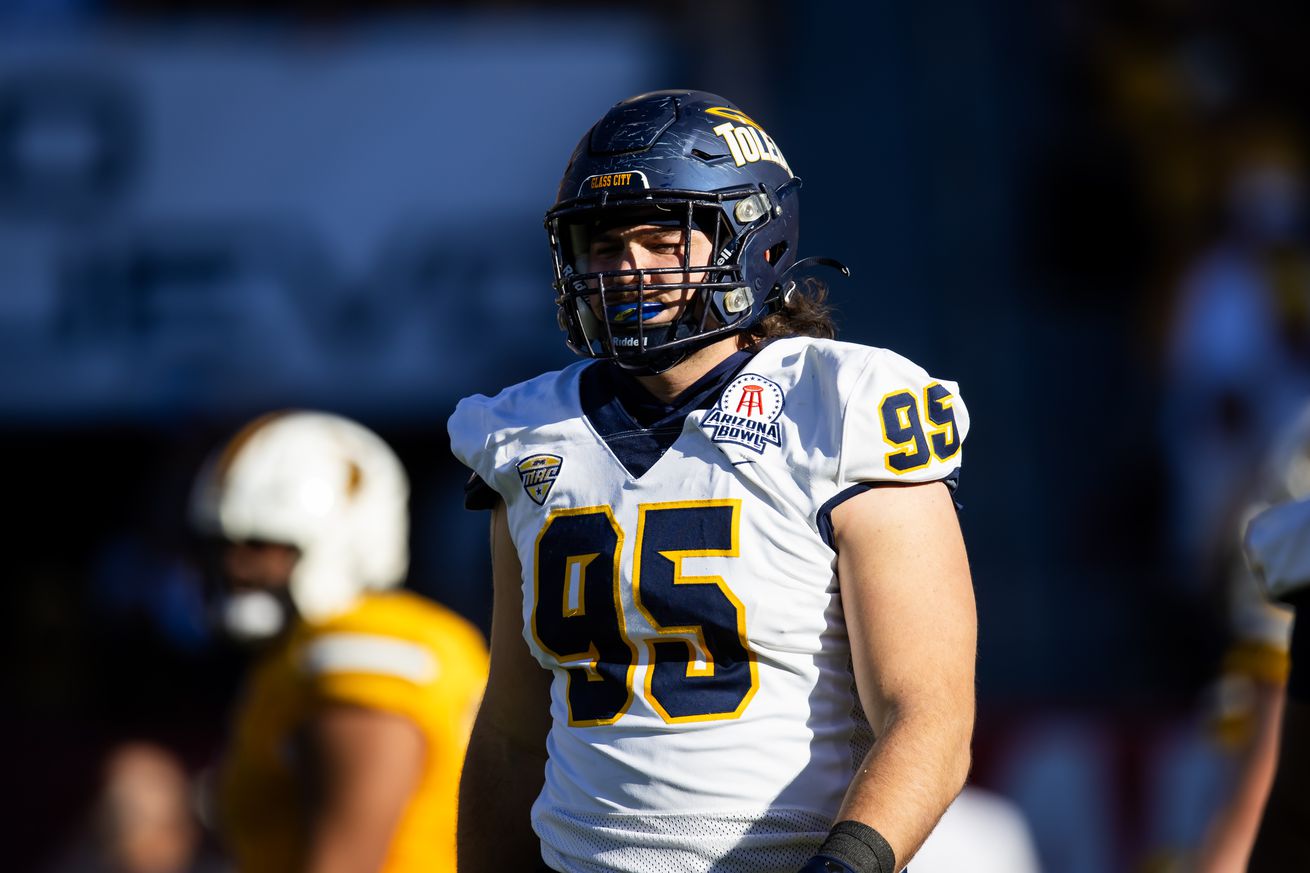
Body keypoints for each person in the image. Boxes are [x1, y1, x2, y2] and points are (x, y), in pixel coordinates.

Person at [449, 89, 976, 873]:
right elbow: (512, 728)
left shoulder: (841, 406)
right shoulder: (525, 432)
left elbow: (928, 717)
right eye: (603, 245)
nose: (629, 269)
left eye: (663, 241)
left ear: (754, 240)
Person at [188, 410, 489, 873]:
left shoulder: (364, 644)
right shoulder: (314, 648)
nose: (236, 566)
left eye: (263, 545)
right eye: (223, 545)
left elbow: (347, 861)